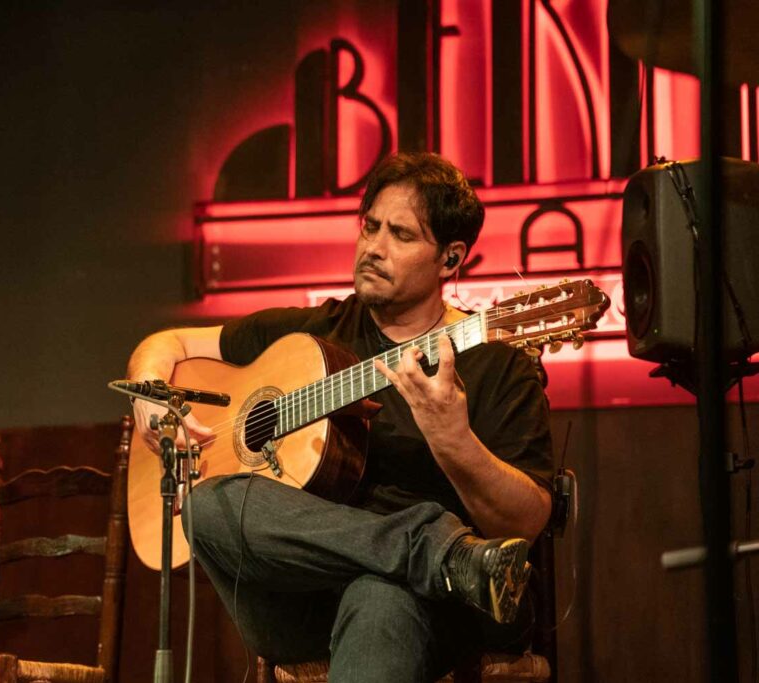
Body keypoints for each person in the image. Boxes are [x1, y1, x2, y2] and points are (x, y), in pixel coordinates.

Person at [126, 152, 554, 682]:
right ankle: (433, 551)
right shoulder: (316, 329)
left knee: (379, 598)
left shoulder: (498, 363)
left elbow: (527, 523)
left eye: (400, 234)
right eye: (370, 226)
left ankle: (431, 563)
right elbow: (166, 342)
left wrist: (454, 441)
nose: (373, 246)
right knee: (208, 505)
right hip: (300, 599)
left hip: (432, 605)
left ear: (451, 258)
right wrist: (149, 394)